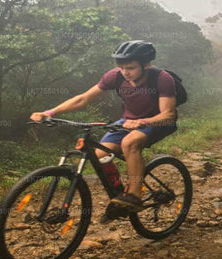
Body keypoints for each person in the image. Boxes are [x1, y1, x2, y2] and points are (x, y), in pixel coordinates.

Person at [29, 40, 178, 213]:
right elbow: (83, 99)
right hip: (127, 122)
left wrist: (142, 122)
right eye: (121, 67)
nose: (125, 72)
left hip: (158, 122)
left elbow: (169, 114)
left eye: (130, 68)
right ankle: (118, 190)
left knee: (130, 143)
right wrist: (50, 112)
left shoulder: (162, 78)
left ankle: (134, 196)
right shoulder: (115, 76)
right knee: (98, 155)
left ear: (146, 65)